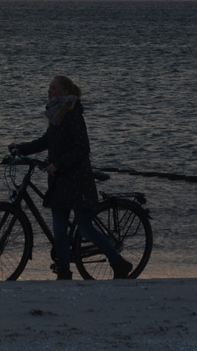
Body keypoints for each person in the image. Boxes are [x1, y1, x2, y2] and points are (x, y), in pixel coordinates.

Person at [11, 75, 132, 280]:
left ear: (65, 93)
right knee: (59, 227)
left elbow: (82, 148)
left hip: (77, 181)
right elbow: (45, 141)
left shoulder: (73, 114)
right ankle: (64, 272)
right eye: (48, 88)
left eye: (53, 88)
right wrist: (20, 148)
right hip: (60, 181)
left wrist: (58, 164)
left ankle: (118, 262)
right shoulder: (56, 114)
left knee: (85, 227)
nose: (48, 91)